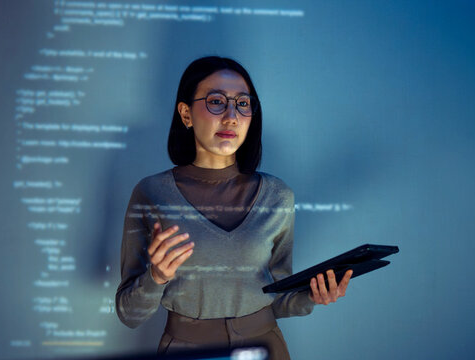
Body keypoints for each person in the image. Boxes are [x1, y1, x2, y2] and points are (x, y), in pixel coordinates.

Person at [115, 56, 352, 359]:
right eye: (216, 102)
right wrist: (157, 276)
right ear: (186, 114)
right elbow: (129, 313)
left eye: (242, 104)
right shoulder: (151, 193)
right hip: (186, 352)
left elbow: (277, 299)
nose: (231, 117)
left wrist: (314, 295)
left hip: (264, 348)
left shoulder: (278, 195)